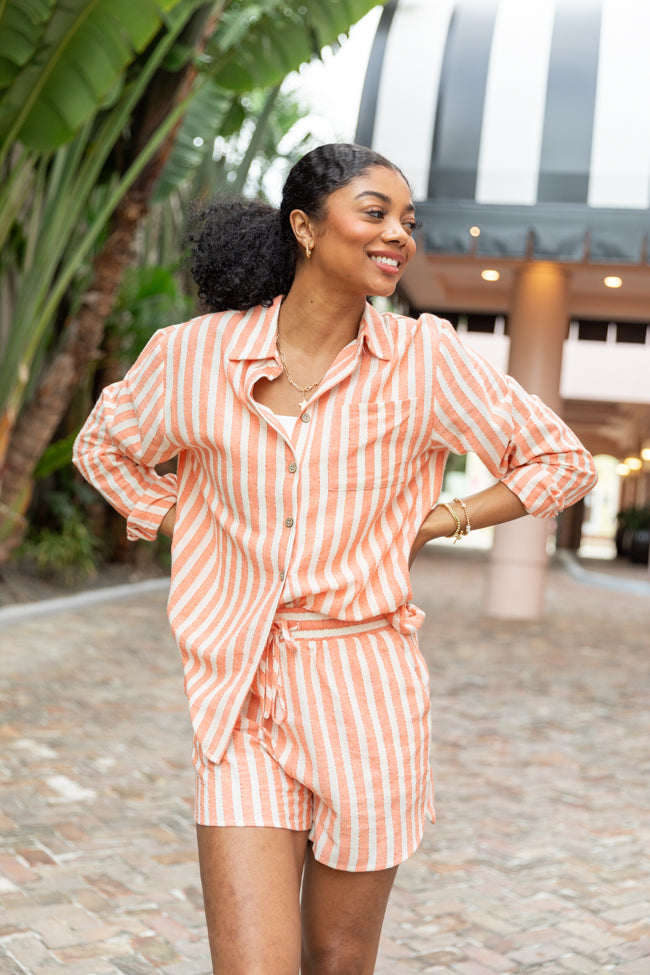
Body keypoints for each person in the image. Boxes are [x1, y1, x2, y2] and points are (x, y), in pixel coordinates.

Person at [73, 142, 597, 975]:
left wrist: (438, 519)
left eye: (409, 221)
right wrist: (186, 522)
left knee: (338, 956)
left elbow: (560, 461)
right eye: (376, 212)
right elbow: (105, 445)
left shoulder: (423, 360)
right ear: (306, 228)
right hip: (238, 692)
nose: (400, 235)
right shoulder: (193, 356)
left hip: (367, 694)